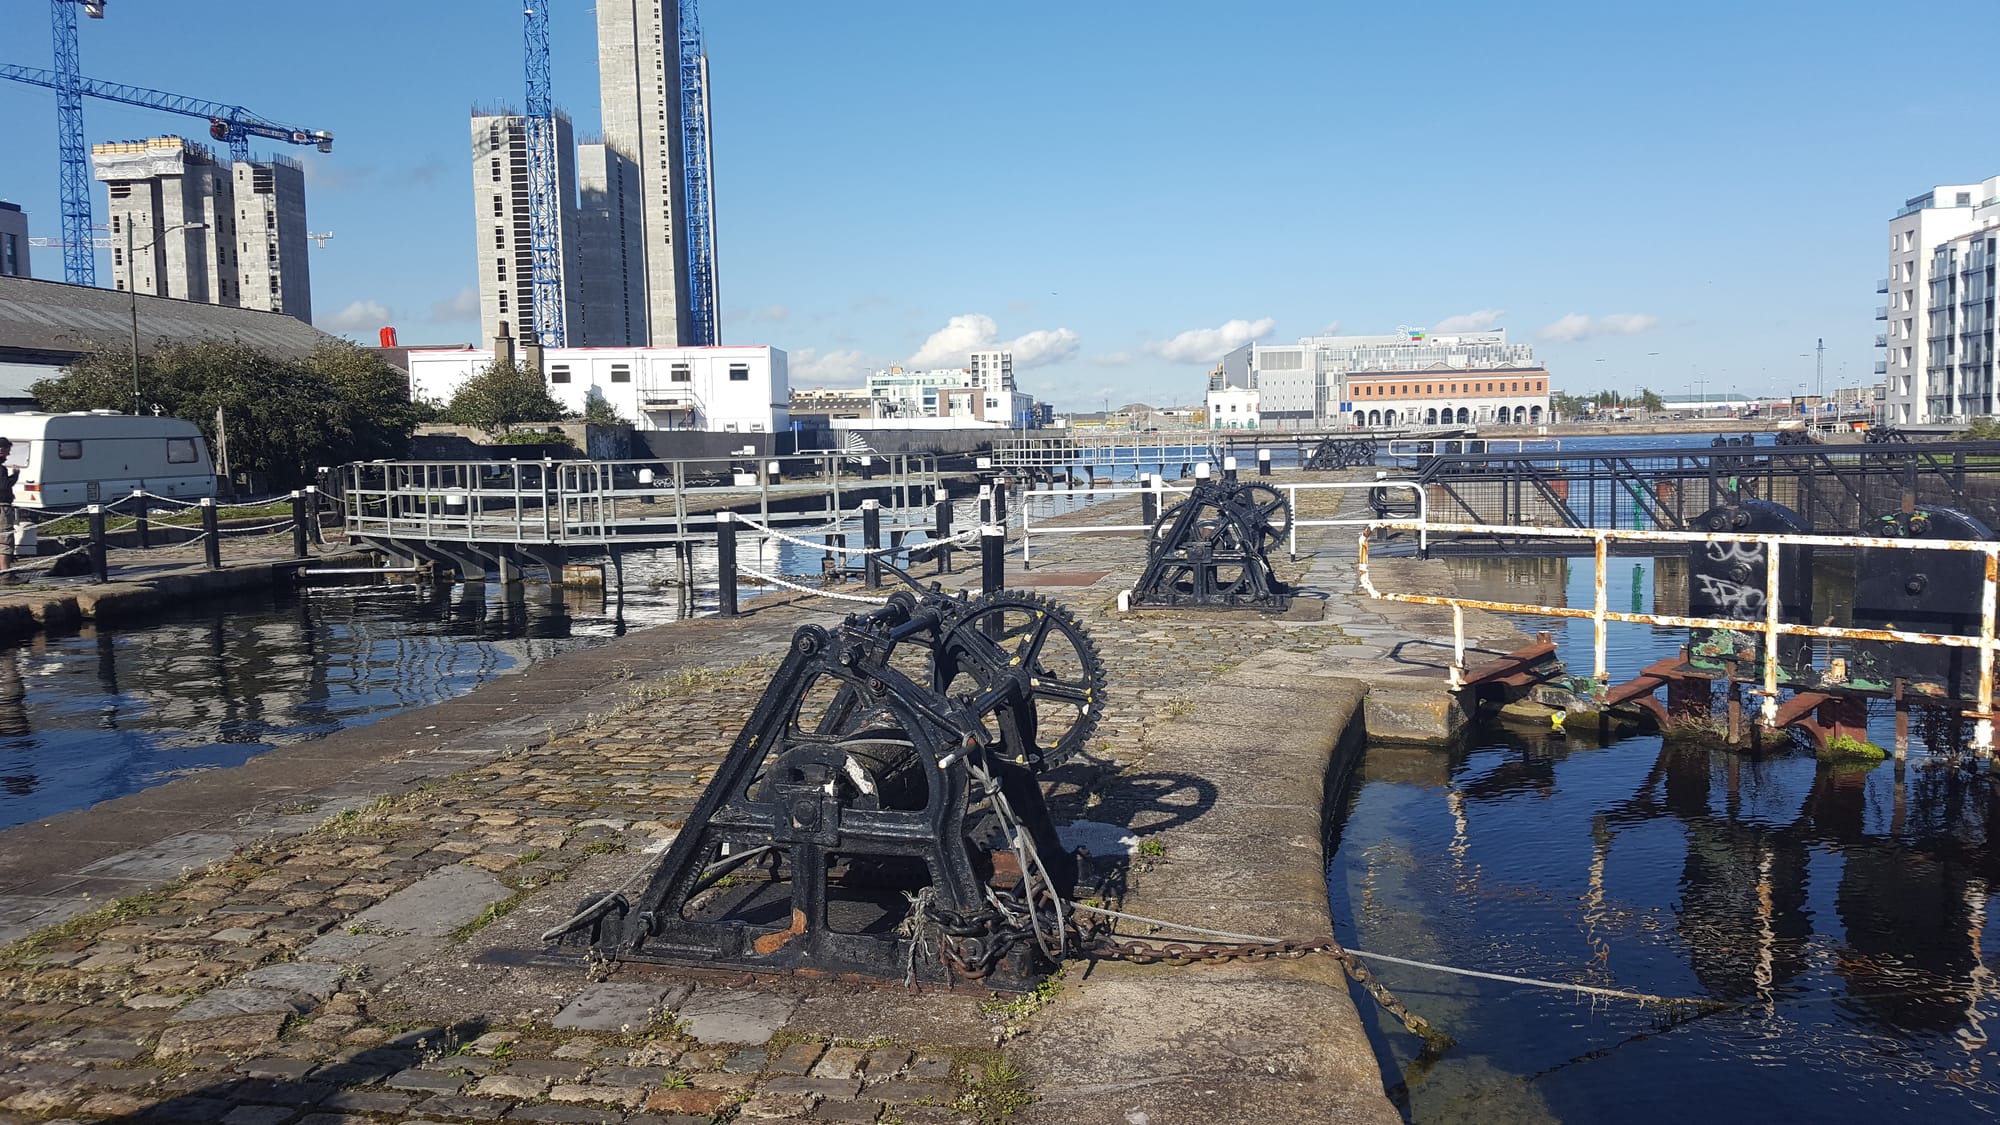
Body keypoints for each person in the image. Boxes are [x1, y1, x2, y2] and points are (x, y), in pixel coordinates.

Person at [0, 438, 16, 583]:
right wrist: (15, 475)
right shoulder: (1, 468)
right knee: (5, 539)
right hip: (2, 506)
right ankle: (6, 573)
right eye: (7, 451)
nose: (8, 455)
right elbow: (4, 486)